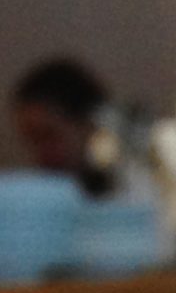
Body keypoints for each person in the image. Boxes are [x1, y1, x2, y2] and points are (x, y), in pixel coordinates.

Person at [12, 58, 119, 196]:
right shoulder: (42, 196)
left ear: (89, 125)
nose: (41, 152)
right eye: (32, 141)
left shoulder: (140, 191)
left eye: (48, 135)